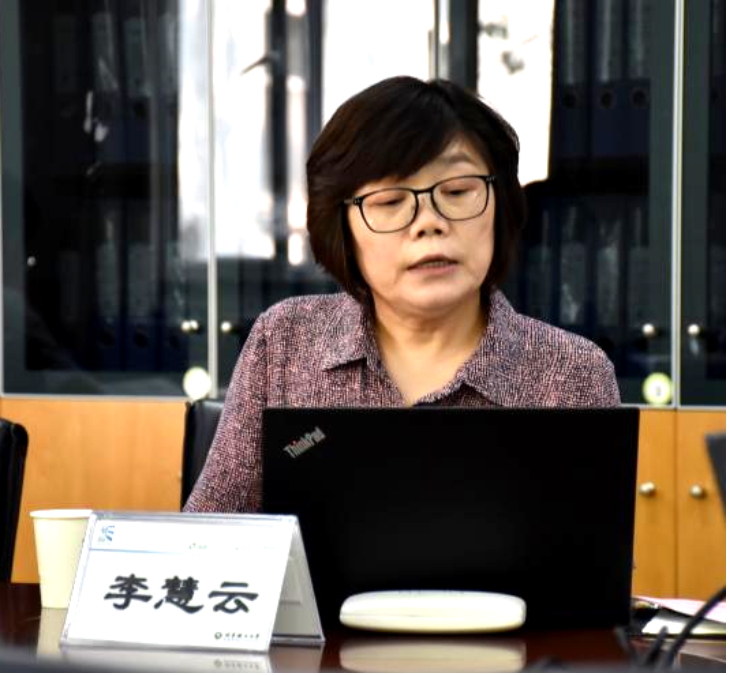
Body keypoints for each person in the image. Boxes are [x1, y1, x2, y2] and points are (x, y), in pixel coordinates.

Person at [184, 76, 620, 514]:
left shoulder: (572, 373)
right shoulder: (283, 342)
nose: (429, 223)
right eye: (391, 201)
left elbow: (588, 553)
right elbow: (209, 537)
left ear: (500, 205)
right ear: (342, 228)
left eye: (457, 191)